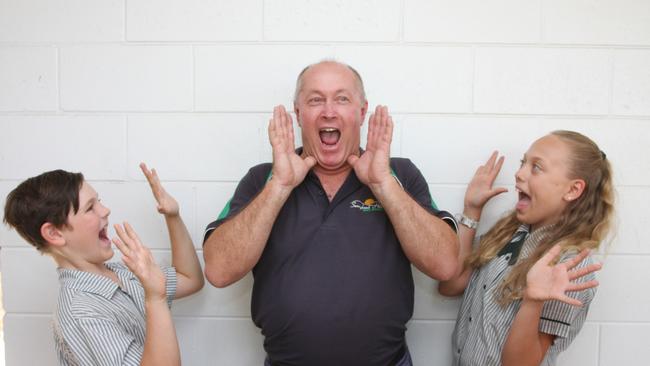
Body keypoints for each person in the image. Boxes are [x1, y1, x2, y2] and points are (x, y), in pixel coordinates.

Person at [203, 60, 459, 366]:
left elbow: (445, 265)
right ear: (297, 114)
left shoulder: (399, 174)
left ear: (362, 112)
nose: (328, 111)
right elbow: (218, 270)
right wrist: (280, 186)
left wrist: (382, 184)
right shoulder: (262, 180)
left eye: (342, 99)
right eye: (315, 100)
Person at [438, 131, 614, 365]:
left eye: (537, 167)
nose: (519, 173)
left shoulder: (570, 265)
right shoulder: (508, 232)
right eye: (523, 163)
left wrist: (532, 301)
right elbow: (450, 285)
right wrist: (471, 210)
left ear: (572, 190)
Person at [3, 163, 204, 365]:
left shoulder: (124, 273)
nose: (106, 210)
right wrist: (155, 300)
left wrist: (173, 216)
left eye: (99, 201)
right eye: (90, 207)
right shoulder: (81, 312)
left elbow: (190, 279)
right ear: (54, 233)